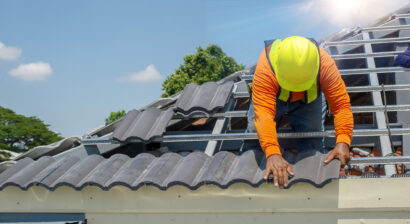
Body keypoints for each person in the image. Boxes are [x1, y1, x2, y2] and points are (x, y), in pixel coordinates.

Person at [248, 36, 353, 188]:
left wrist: (343, 140)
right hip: (274, 96)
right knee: (254, 135)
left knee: (311, 140)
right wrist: (272, 152)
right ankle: (253, 176)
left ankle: (312, 182)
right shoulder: (266, 67)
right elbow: (264, 114)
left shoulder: (324, 64)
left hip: (308, 99)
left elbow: (341, 106)